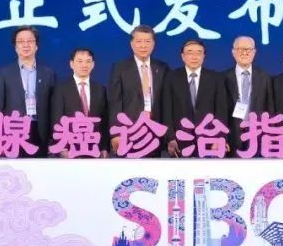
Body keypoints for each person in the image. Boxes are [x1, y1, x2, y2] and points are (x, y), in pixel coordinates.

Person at [0, 26, 57, 157]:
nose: (25, 45)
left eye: (30, 41)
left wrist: (53, 139)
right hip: (12, 132)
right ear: (15, 47)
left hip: (40, 130)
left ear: (36, 46)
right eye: (20, 41)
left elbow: (53, 108)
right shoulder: (4, 73)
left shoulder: (48, 73)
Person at [107, 25, 170, 157]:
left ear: (153, 44)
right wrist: (116, 132)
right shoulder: (120, 68)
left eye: (147, 41)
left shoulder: (163, 68)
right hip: (130, 131)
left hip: (156, 131)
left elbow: (168, 103)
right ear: (132, 44)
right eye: (139, 41)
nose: (143, 46)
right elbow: (115, 103)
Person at [163, 39, 231, 157]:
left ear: (204, 56)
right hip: (179, 142)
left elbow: (221, 112)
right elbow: (166, 111)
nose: (194, 57)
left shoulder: (216, 78)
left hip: (210, 140)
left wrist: (220, 138)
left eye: (199, 53)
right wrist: (170, 138)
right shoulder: (171, 78)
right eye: (190, 52)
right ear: (183, 56)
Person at [49, 48, 109, 157]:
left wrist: (104, 147)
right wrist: (62, 147)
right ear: (71, 64)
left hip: (95, 148)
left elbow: (104, 121)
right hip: (69, 149)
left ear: (93, 64)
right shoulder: (61, 88)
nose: (84, 65)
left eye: (88, 61)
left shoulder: (100, 89)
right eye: (80, 61)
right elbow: (56, 120)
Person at [223, 36, 275, 155]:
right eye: (240, 49)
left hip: (258, 135)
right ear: (233, 52)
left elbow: (270, 108)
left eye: (248, 49)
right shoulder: (223, 78)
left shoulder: (265, 77)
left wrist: (270, 135)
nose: (245, 52)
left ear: (254, 52)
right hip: (231, 135)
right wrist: (222, 137)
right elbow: (220, 111)